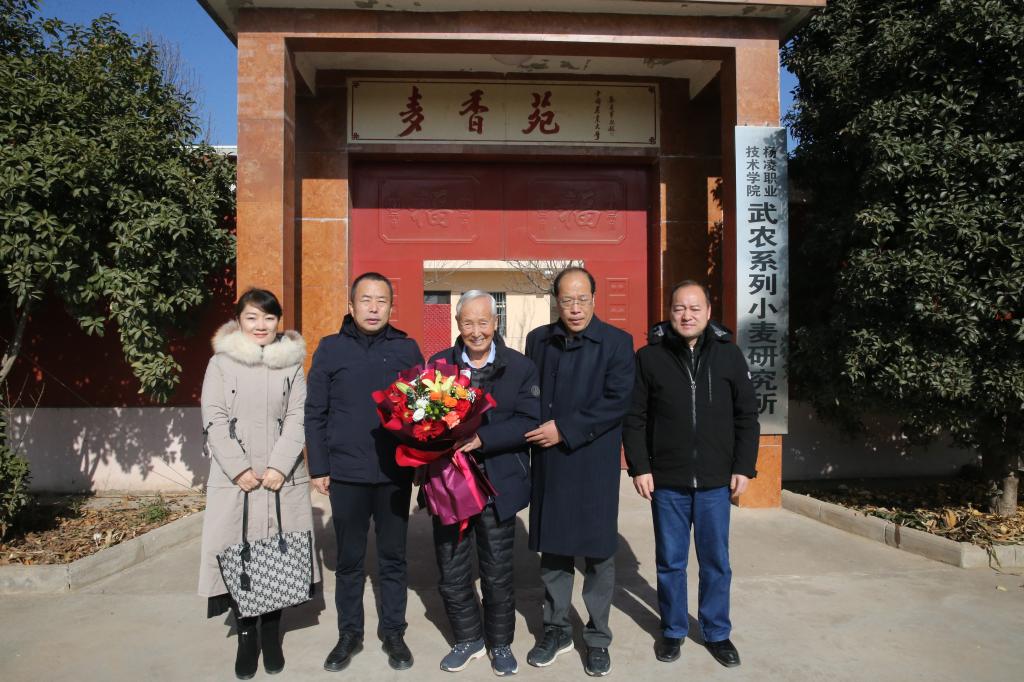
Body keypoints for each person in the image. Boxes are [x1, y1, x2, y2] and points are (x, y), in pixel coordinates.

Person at [622, 280, 760, 669]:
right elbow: (635, 417)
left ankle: (716, 632)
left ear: (709, 312)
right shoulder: (649, 358)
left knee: (716, 561)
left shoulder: (729, 355)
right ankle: (673, 629)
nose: (687, 315)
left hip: (716, 480)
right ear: (669, 312)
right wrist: (640, 467)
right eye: (679, 308)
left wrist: (743, 466)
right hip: (668, 481)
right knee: (671, 561)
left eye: (695, 308)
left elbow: (747, 415)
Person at [305, 272, 424, 672]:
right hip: (347, 472)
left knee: (393, 558)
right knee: (350, 560)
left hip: (394, 473)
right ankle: (349, 634)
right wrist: (319, 466)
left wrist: (421, 461)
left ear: (391, 306)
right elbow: (315, 412)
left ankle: (394, 633)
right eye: (366, 300)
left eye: (381, 301)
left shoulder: (407, 349)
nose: (374, 308)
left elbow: (425, 412)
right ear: (351, 306)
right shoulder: (331, 349)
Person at [198, 288, 319, 680]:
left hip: (281, 477)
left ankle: (271, 632)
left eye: (268, 317)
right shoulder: (221, 363)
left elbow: (299, 415)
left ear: (278, 321)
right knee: (239, 555)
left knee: (277, 555)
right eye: (252, 317)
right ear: (238, 320)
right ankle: (247, 634)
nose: (261, 325)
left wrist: (280, 465)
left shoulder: (291, 363)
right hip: (237, 479)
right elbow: (214, 417)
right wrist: (238, 469)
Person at [523, 267, 635, 677]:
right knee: (554, 551)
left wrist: (565, 429)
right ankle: (555, 629)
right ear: (557, 301)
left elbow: (617, 401)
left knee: (599, 554)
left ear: (594, 299)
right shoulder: (539, 340)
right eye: (567, 300)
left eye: (582, 299)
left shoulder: (617, 343)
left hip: (593, 463)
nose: (574, 308)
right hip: (550, 462)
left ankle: (598, 636)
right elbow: (528, 393)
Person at [427, 291, 540, 676]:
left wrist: (483, 439)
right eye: (468, 323)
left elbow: (529, 421)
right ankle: (468, 638)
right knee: (452, 570)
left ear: (495, 323)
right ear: (457, 324)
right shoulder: (438, 364)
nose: (476, 331)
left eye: (483, 322)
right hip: (449, 485)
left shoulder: (520, 367)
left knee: (497, 571)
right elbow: (421, 417)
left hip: (497, 484)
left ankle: (500, 643)